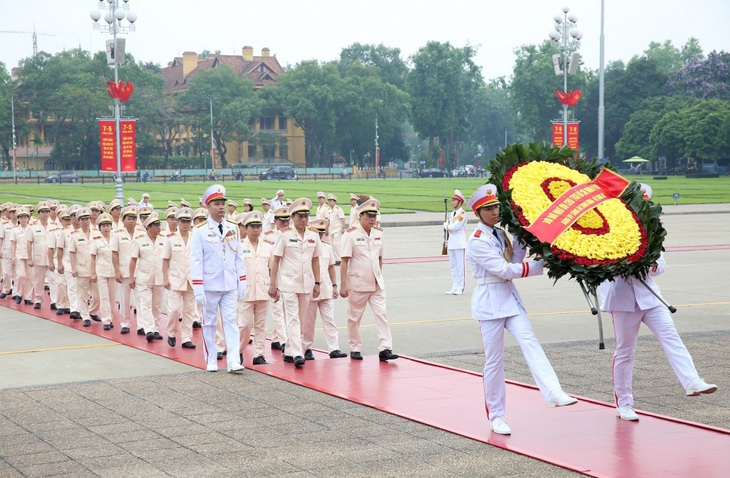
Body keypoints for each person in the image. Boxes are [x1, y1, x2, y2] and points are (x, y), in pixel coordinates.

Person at [465, 184, 577, 436]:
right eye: (488, 209)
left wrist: (520, 241)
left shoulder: (500, 234)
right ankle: (497, 416)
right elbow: (503, 270)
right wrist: (537, 266)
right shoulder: (477, 242)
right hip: (489, 302)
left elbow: (513, 261)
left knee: (530, 342)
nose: (495, 212)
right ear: (478, 213)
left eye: (496, 207)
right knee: (495, 362)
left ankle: (553, 391)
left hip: (509, 298)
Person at [599, 184, 716, 422]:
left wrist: (648, 265)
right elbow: (601, 264)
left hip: (650, 297)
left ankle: (692, 381)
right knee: (625, 352)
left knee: (671, 336)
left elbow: (661, 264)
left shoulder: (652, 229)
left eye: (645, 204)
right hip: (622, 300)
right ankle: (624, 403)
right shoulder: (611, 229)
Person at [190, 184, 246, 373]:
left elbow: (238, 256)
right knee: (210, 323)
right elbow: (196, 262)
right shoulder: (200, 230)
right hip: (210, 285)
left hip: (229, 283)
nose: (221, 207)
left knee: (231, 322)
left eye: (223, 203)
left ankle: (232, 360)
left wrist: (242, 281)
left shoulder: (233, 228)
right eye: (217, 203)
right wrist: (198, 289)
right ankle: (211, 358)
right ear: (208, 206)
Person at [339, 198, 398, 362]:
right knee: (354, 318)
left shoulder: (378, 234)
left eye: (374, 215)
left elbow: (380, 258)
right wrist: (343, 285)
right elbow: (344, 261)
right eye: (369, 215)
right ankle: (355, 348)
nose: (372, 219)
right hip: (358, 283)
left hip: (376, 283)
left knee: (382, 315)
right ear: (360, 215)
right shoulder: (350, 235)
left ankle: (385, 348)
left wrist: (379, 275)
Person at [268, 198, 321, 367]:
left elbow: (315, 260)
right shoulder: (284, 235)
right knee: (292, 318)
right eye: (300, 216)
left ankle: (290, 350)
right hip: (288, 283)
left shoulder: (313, 234)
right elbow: (275, 260)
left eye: (306, 216)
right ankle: (298, 353)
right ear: (292, 217)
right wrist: (273, 284)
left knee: (301, 318)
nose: (304, 219)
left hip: (306, 283)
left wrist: (318, 282)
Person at [303, 218, 347, 359]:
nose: (320, 236)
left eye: (322, 234)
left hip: (326, 288)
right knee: (309, 322)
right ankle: (307, 348)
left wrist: (335, 286)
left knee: (330, 320)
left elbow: (331, 268)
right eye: (318, 233)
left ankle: (334, 349)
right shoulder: (306, 247)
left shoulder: (327, 247)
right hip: (311, 289)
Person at [238, 211, 272, 365]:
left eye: (258, 226)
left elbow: (271, 268)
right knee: (244, 325)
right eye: (252, 226)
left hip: (263, 290)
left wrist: (274, 285)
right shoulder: (239, 246)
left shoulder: (267, 246)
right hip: (245, 291)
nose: (256, 229)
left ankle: (259, 354)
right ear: (246, 228)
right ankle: (237, 351)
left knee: (261, 326)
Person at [162, 207, 197, 350]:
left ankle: (186, 338)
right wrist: (165, 278)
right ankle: (171, 333)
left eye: (188, 221)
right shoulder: (170, 239)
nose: (185, 224)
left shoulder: (195, 238)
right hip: (175, 279)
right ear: (178, 222)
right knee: (174, 310)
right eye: (183, 221)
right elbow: (165, 260)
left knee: (189, 311)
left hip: (191, 280)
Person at [129, 213, 166, 341]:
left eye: (159, 225)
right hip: (143, 278)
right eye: (155, 225)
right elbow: (133, 260)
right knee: (145, 304)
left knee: (156, 305)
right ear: (148, 227)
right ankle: (149, 329)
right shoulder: (139, 241)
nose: (158, 227)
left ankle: (155, 329)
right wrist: (131, 277)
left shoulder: (164, 240)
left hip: (159, 277)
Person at [111, 206, 138, 334]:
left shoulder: (141, 234)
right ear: (123, 220)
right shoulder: (118, 235)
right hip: (124, 271)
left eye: (133, 219)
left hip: (140, 271)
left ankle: (143, 325)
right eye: (129, 219)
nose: (131, 221)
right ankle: (125, 323)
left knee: (141, 300)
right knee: (124, 299)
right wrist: (116, 270)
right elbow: (114, 253)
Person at [90, 213, 117, 330]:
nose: (106, 228)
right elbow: (92, 257)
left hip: (113, 271)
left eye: (108, 225)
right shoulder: (96, 240)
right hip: (101, 271)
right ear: (99, 227)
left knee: (112, 297)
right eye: (103, 225)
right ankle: (106, 319)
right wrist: (92, 273)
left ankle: (110, 317)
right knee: (104, 296)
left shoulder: (116, 238)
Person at [444, 189, 467, 295]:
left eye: (454, 200)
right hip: (452, 242)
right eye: (452, 200)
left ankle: (460, 287)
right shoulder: (453, 213)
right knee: (453, 266)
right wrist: (447, 226)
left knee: (460, 266)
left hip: (459, 242)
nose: (452, 202)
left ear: (459, 202)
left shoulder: (462, 214)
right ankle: (454, 286)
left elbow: (455, 226)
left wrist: (447, 226)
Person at [325, 194, 346, 265]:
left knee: (336, 244)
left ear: (334, 202)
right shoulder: (328, 210)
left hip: (338, 228)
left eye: (331, 201)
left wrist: (343, 227)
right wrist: (326, 229)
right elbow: (328, 220)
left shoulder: (338, 209)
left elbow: (342, 218)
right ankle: (334, 258)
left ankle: (339, 258)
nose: (330, 202)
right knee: (332, 244)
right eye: (329, 201)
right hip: (331, 229)